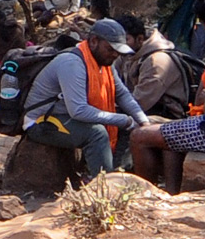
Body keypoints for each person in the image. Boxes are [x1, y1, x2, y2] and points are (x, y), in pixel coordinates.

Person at [23, 18, 148, 179]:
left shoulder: (105, 64)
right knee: (97, 133)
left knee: (128, 127)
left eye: (118, 51)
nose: (115, 55)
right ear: (94, 41)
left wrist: (142, 121)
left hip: (66, 115)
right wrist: (125, 120)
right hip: (42, 121)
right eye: (110, 49)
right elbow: (78, 110)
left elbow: (122, 94)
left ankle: (117, 173)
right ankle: (103, 186)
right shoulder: (72, 63)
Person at [118, 14, 193, 119]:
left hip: (169, 116)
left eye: (125, 40)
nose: (119, 45)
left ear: (139, 39)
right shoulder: (129, 53)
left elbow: (138, 104)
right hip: (146, 108)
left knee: (132, 126)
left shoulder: (156, 62)